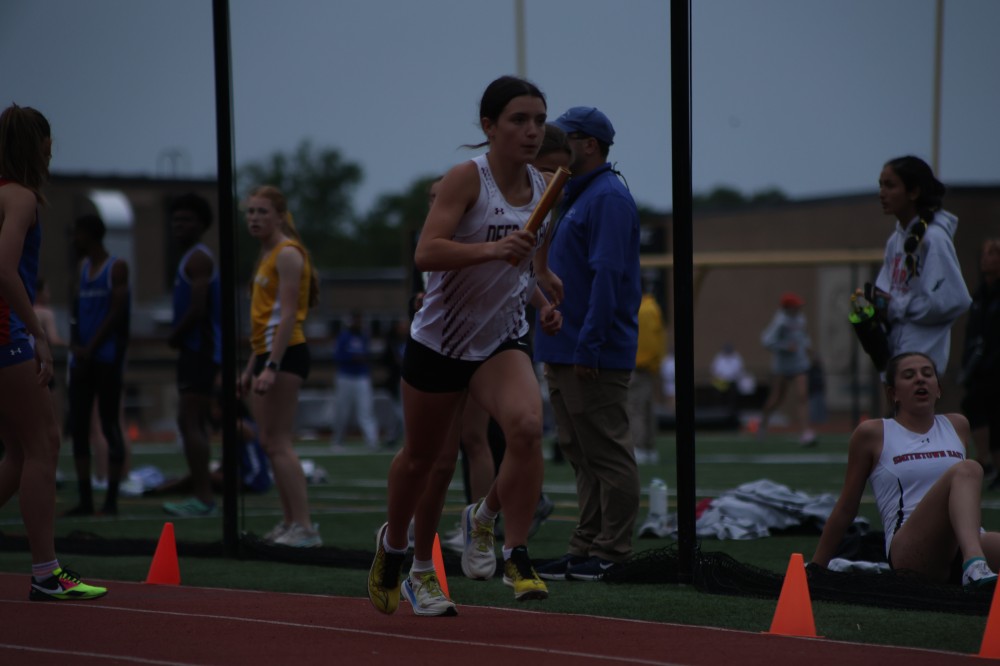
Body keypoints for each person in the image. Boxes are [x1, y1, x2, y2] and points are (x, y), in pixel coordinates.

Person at [367, 75, 563, 617]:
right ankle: (401, 553)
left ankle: (510, 547)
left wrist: (545, 288)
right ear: (489, 126)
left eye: (539, 120)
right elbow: (426, 253)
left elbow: (531, 259)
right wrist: (491, 253)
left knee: (527, 427)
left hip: (501, 338)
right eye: (519, 120)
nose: (532, 131)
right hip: (442, 340)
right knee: (425, 462)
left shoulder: (549, 186)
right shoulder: (465, 179)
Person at [0, 103, 106, 600]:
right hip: (6, 333)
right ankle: (46, 573)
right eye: (48, 144)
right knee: (44, 444)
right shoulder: (21, 197)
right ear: (39, 146)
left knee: (19, 452)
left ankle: (46, 570)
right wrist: (37, 332)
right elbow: (4, 269)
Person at [534, 105, 642, 582]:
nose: (555, 143)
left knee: (607, 453)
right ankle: (585, 545)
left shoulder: (607, 197)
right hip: (566, 345)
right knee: (580, 453)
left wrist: (590, 345)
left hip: (589, 349)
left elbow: (608, 277)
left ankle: (612, 551)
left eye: (566, 137)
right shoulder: (576, 194)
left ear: (589, 144)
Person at [810, 352, 1000, 587]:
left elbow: (963, 495)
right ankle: (975, 565)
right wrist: (817, 567)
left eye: (927, 374)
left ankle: (974, 564)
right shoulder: (873, 433)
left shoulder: (957, 425)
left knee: (966, 472)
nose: (920, 379)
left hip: (962, 544)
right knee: (968, 468)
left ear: (938, 389)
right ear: (893, 393)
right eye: (909, 376)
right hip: (911, 553)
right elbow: (846, 508)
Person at [240, 184, 322, 548]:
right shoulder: (266, 254)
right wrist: (251, 367)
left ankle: (305, 527)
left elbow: (288, 316)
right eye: (250, 212)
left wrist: (271, 365)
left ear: (279, 216)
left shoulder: (288, 253)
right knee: (268, 441)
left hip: (287, 353)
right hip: (268, 353)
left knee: (279, 442)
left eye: (262, 212)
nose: (254, 218)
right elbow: (264, 322)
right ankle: (290, 522)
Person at [869, 155, 971, 374]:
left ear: (913, 192)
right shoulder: (895, 240)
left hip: (921, 365)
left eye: (890, 185)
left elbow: (955, 299)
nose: (882, 193)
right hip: (895, 356)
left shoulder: (934, 238)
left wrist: (898, 307)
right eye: (880, 185)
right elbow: (886, 294)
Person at [65, 213, 131, 516]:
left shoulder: (116, 267)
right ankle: (86, 500)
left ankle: (111, 501)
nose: (73, 240)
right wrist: (77, 345)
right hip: (83, 359)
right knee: (79, 427)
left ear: (90, 234)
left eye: (77, 233)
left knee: (109, 424)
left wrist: (91, 347)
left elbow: (117, 313)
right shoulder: (82, 268)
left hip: (106, 359)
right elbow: (76, 310)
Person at [163, 193, 222, 517]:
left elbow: (198, 308)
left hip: (199, 350)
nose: (179, 226)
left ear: (201, 225)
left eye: (186, 220)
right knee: (188, 421)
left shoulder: (198, 259)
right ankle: (202, 493)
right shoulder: (190, 258)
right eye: (175, 220)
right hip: (195, 350)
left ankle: (203, 497)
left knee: (191, 420)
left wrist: (175, 335)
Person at [959, 238, 1000, 486]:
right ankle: (986, 461)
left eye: (993, 254)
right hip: (979, 368)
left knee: (994, 415)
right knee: (975, 406)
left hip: (995, 368)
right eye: (985, 254)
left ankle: (991, 463)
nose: (987, 259)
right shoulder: (980, 295)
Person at [758, 291, 816, 447]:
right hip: (782, 367)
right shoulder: (780, 321)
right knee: (776, 399)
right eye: (795, 306)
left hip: (799, 364)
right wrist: (784, 346)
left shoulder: (801, 318)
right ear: (788, 307)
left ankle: (805, 432)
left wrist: (809, 348)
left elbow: (803, 336)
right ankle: (763, 424)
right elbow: (766, 340)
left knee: (802, 396)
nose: (798, 308)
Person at [331, 310, 380, 451]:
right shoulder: (343, 337)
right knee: (342, 410)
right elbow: (338, 356)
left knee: (366, 410)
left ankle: (372, 441)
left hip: (362, 377)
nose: (358, 323)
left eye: (360, 320)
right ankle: (338, 441)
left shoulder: (364, 337)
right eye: (355, 320)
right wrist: (352, 358)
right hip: (345, 376)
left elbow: (368, 356)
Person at [629, 282, 665, 465]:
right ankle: (649, 447)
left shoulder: (641, 309)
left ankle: (639, 446)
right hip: (650, 367)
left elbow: (644, 342)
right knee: (648, 408)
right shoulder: (653, 307)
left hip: (638, 366)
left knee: (636, 408)